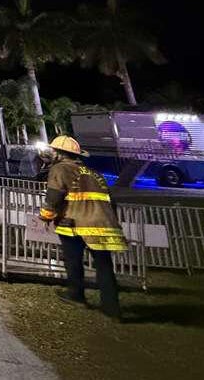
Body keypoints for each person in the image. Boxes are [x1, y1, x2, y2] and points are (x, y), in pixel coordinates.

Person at [39, 135, 127, 319]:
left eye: (54, 151)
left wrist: (45, 217)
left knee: (73, 261)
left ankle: (76, 295)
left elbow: (54, 197)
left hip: (75, 224)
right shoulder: (93, 173)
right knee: (104, 266)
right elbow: (110, 201)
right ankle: (112, 308)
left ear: (60, 154)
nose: (52, 153)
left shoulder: (59, 169)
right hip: (104, 225)